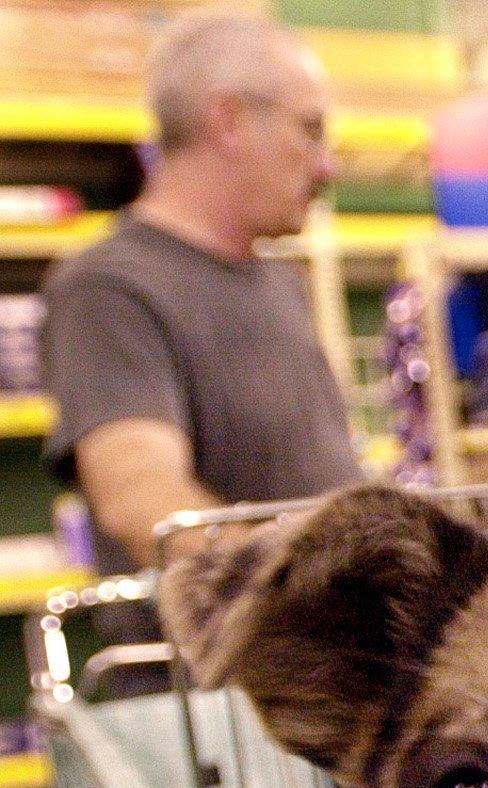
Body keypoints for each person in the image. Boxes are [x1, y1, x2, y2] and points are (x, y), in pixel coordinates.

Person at [40, 10, 361, 581]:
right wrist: (320, 600)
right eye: (308, 130)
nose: (325, 165)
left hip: (309, 662)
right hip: (203, 668)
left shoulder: (277, 282)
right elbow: (145, 505)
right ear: (229, 122)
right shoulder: (108, 287)